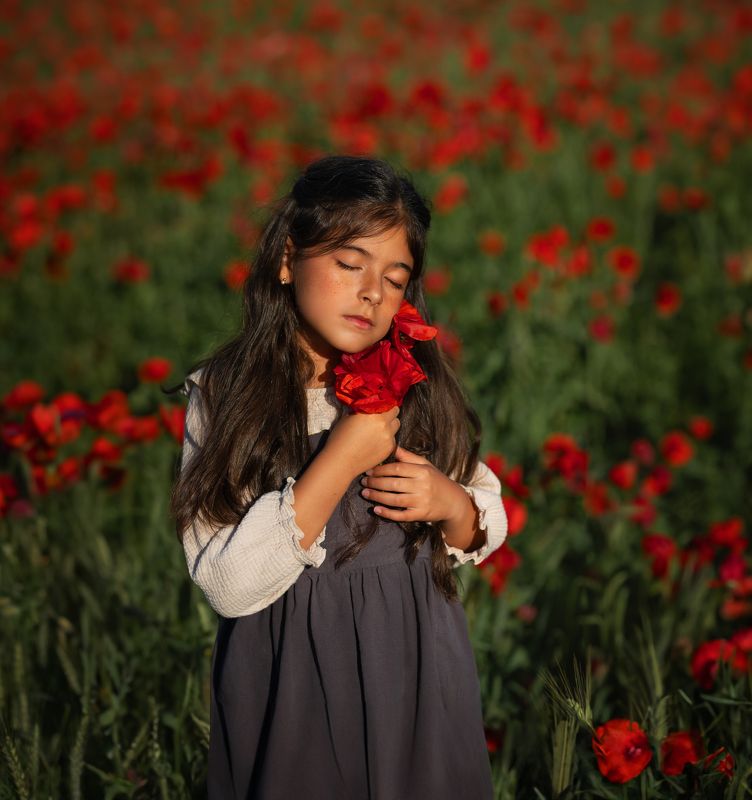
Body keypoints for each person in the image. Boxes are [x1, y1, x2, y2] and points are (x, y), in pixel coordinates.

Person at [170, 154, 508, 799]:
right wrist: (342, 457)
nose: (373, 291)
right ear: (287, 259)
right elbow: (227, 586)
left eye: (395, 278)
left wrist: (451, 503)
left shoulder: (412, 383)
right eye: (350, 264)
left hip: (414, 678)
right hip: (291, 688)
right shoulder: (227, 396)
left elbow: (482, 518)